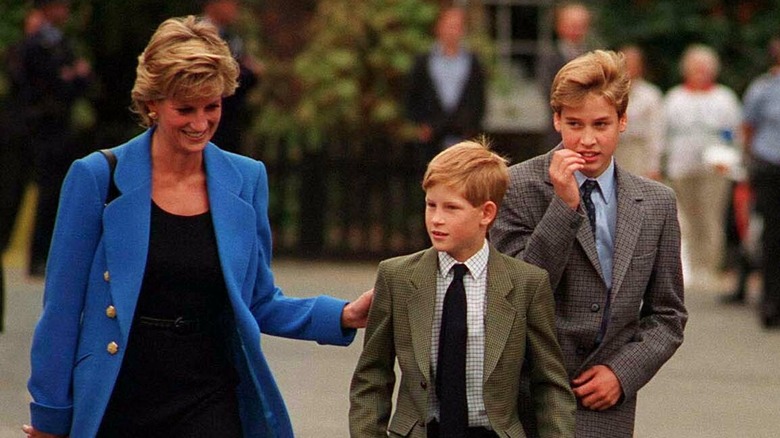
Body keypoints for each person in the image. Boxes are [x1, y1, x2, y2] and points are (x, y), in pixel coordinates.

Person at [23, 16, 372, 438]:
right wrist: (49, 419)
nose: (201, 123)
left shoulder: (246, 180)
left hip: (209, 395)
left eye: (213, 106)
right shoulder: (98, 177)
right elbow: (61, 309)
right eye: (184, 109)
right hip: (120, 394)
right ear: (152, 103)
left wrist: (344, 315)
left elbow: (258, 301)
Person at [491, 50, 688, 437]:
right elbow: (513, 295)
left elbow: (668, 315)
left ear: (623, 121)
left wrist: (622, 373)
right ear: (556, 120)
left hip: (607, 402)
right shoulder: (517, 186)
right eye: (574, 124)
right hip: (528, 398)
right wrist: (564, 207)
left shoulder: (656, 203)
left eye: (601, 124)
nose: (587, 140)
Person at [350, 140, 576, 437]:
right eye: (431, 205)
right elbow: (372, 376)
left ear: (486, 213)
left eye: (451, 208)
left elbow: (549, 384)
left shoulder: (526, 284)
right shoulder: (397, 277)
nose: (437, 219)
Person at [15, 0, 92, 278]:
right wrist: (68, 77)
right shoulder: (37, 43)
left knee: (58, 193)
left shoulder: (61, 42)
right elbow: (41, 82)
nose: (65, 12)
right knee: (43, 192)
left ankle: (48, 255)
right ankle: (36, 255)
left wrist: (72, 78)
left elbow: (82, 80)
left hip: (61, 126)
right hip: (41, 126)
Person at [663, 44, 742, 287]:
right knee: (687, 218)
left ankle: (710, 266)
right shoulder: (675, 97)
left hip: (714, 167)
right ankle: (692, 267)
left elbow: (735, 133)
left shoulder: (724, 97)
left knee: (711, 217)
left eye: (704, 68)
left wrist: (730, 160)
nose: (700, 72)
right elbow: (664, 133)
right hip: (682, 166)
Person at [405, 6, 486, 166]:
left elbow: (479, 98)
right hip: (431, 135)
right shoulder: (423, 61)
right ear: (438, 28)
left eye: (456, 27)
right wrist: (421, 124)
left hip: (462, 134)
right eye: (448, 26)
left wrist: (471, 128)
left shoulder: (473, 61)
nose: (452, 31)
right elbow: (412, 94)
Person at [741, 34, 780, 328]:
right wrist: (750, 162)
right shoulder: (763, 89)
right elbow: (748, 128)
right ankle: (770, 301)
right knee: (771, 235)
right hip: (769, 165)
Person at [201, 0, 264, 155]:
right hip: (208, 122)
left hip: (231, 119)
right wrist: (248, 72)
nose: (235, 7)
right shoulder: (200, 35)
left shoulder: (232, 37)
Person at [537, 2, 595, 147]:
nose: (576, 30)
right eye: (572, 25)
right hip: (559, 132)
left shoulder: (594, 56)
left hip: (591, 130)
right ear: (559, 26)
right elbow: (548, 91)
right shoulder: (549, 57)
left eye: (580, 25)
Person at [614, 44, 665, 180]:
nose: (629, 67)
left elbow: (655, 132)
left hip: (639, 152)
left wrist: (654, 166)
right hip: (615, 151)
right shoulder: (608, 92)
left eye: (633, 63)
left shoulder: (651, 95)